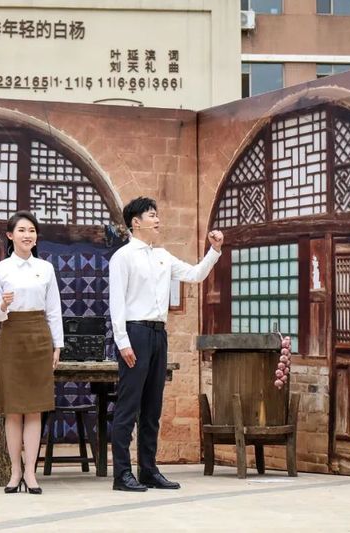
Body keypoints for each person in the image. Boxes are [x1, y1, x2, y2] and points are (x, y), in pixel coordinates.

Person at [109, 197, 224, 491]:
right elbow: (116, 302)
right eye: (151, 215)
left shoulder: (163, 256)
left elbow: (195, 275)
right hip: (134, 332)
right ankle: (122, 474)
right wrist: (123, 342)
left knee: (152, 407)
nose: (157, 219)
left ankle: (148, 470)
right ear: (135, 222)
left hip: (159, 334)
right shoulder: (123, 257)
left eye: (157, 214)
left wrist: (214, 250)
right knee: (128, 406)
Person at [0, 211, 63, 495]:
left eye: (31, 230)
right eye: (21, 230)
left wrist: (58, 345)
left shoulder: (45, 268)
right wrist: (3, 305)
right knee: (12, 409)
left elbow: (54, 309)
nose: (27, 235)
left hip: (39, 337)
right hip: (12, 336)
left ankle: (31, 472)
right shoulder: (0, 270)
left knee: (34, 408)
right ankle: (15, 471)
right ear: (10, 235)